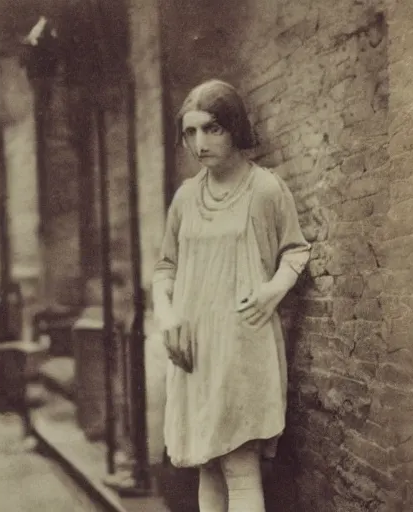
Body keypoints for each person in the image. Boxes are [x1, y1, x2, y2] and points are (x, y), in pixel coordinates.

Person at [152, 79, 310, 512]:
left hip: (243, 341)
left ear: (235, 129)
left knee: (240, 467)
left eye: (212, 129)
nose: (199, 143)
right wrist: (167, 316)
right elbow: (165, 267)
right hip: (195, 350)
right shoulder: (186, 197)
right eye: (190, 132)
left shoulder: (265, 189)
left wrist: (271, 292)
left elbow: (296, 250)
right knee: (207, 464)